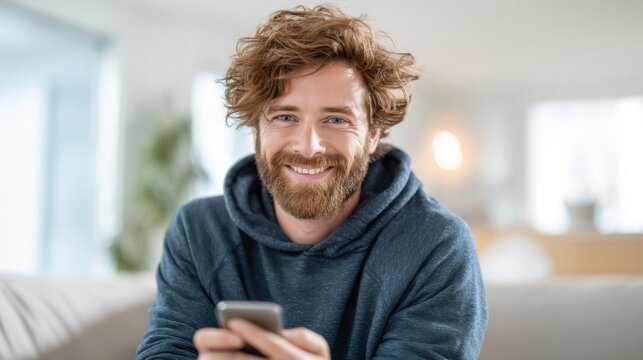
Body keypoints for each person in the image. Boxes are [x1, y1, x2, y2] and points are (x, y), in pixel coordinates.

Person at [137, 5, 487, 360]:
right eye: (286, 116)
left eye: (335, 119)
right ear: (256, 130)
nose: (309, 147)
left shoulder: (436, 246)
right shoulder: (200, 233)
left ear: (372, 136)